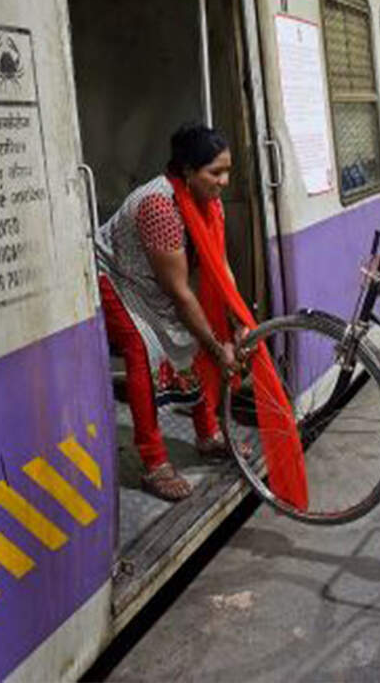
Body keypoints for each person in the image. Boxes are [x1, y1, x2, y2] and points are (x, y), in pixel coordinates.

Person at [95, 125, 249, 500]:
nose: (224, 181)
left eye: (228, 171)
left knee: (197, 337)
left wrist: (237, 320)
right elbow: (180, 293)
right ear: (188, 171)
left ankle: (208, 434)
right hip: (117, 278)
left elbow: (220, 270)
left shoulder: (209, 202)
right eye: (215, 172)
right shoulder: (159, 206)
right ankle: (154, 463)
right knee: (142, 349)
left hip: (154, 282)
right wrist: (217, 348)